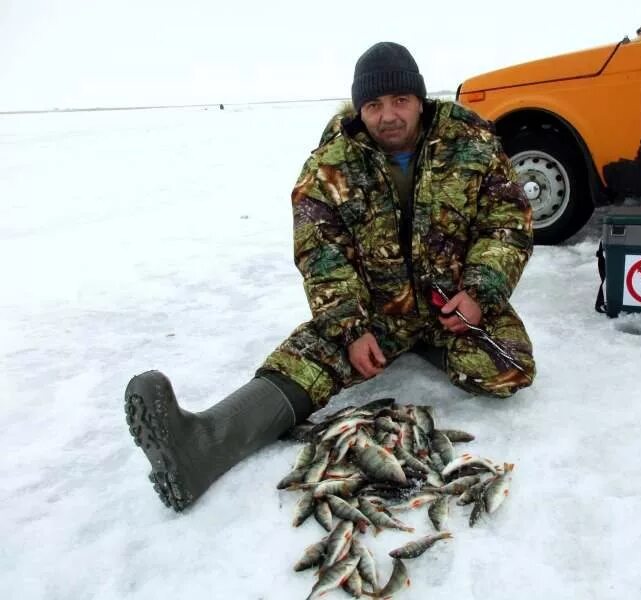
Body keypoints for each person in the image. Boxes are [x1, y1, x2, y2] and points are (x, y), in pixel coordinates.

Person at [125, 42, 536, 512]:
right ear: (360, 110)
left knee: (510, 369)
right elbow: (321, 255)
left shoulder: (474, 145)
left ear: (421, 100)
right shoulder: (328, 168)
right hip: (373, 312)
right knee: (310, 359)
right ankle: (202, 445)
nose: (388, 116)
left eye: (400, 100)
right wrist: (350, 327)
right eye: (374, 105)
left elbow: (507, 222)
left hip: (453, 304)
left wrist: (480, 292)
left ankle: (427, 341)